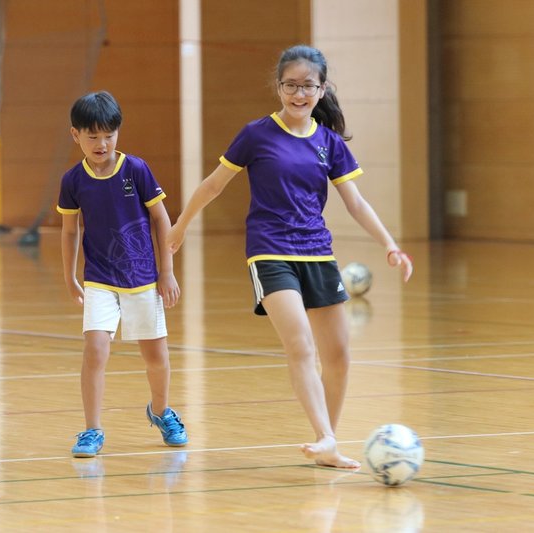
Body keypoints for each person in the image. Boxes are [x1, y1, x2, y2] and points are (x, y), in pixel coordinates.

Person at [166, 45, 413, 468]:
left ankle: (327, 445)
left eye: (307, 86)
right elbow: (212, 185)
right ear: (278, 87)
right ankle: (325, 437)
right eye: (290, 86)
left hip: (317, 253)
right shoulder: (256, 134)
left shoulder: (329, 142)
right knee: (299, 345)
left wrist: (390, 244)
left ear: (322, 89)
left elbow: (355, 203)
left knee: (338, 357)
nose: (298, 94)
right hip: (268, 251)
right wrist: (181, 225)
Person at [57, 91, 188, 457]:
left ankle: (162, 412)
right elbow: (70, 231)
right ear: (75, 135)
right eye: (92, 136)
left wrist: (168, 272)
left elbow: (161, 220)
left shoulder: (137, 170)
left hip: (144, 278)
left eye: (109, 135)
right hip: (100, 278)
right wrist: (70, 276)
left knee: (155, 356)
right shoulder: (73, 180)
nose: (102, 143)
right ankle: (92, 430)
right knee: (95, 349)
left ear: (118, 132)